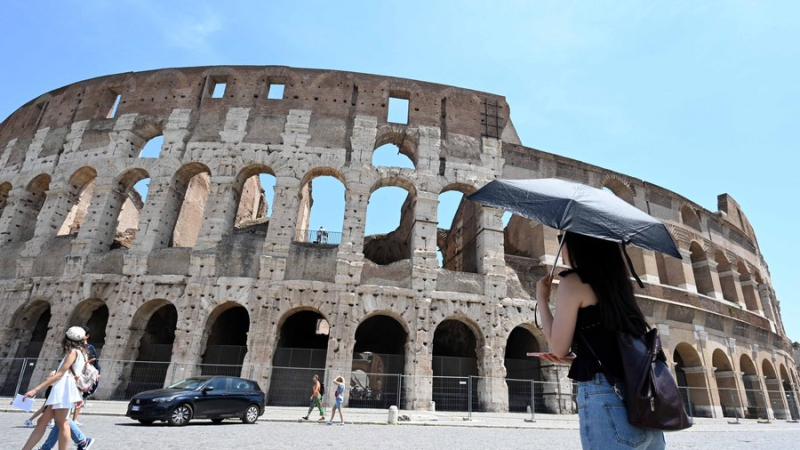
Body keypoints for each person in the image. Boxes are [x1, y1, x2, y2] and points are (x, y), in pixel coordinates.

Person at [535, 232, 666, 450]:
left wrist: (542, 298)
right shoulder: (620, 286)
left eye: (562, 239)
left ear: (578, 244)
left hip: (606, 396)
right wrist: (576, 361)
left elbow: (558, 347)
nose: (561, 245)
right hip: (644, 403)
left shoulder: (573, 281)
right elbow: (619, 347)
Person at [20, 326, 95, 450]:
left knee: (63, 424)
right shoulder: (82, 352)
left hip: (64, 390)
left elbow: (60, 374)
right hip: (63, 389)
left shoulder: (73, 352)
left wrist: (36, 389)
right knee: (42, 421)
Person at [72, 326, 100, 425]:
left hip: (82, 376)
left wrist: (83, 362)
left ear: (87, 336)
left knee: (79, 398)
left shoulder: (89, 347)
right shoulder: (74, 348)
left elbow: (93, 359)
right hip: (75, 375)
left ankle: (74, 420)